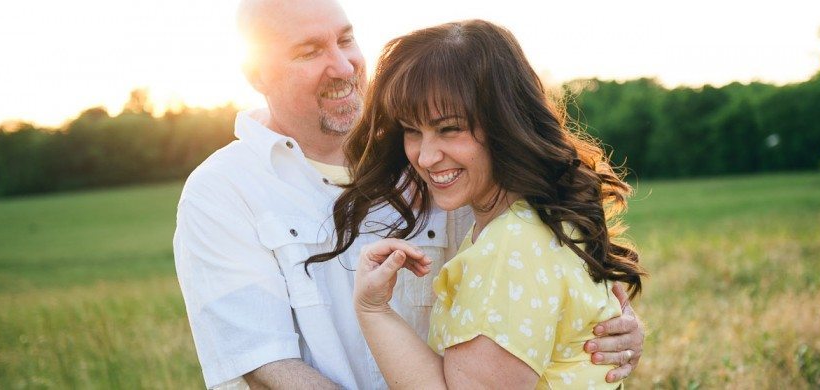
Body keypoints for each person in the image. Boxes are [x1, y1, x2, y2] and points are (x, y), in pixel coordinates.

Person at [172, 0, 645, 388]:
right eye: (308, 51)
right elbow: (264, 365)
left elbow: (530, 267)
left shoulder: (432, 162)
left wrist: (605, 328)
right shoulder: (221, 192)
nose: (341, 65)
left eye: (345, 39)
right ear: (256, 74)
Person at [313, 19, 646, 389]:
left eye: (449, 128)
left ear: (504, 121)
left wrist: (372, 310)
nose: (424, 157)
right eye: (412, 130)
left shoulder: (510, 245)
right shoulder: (534, 221)